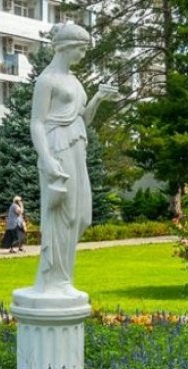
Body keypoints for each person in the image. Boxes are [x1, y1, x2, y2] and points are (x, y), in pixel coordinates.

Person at [29, 22, 120, 297]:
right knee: (62, 214)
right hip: (57, 146)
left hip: (78, 145)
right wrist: (46, 158)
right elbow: (36, 122)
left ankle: (62, 278)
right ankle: (55, 281)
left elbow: (83, 118)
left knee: (81, 216)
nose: (83, 55)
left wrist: (98, 98)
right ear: (66, 47)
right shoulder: (47, 80)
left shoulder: (75, 81)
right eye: (81, 49)